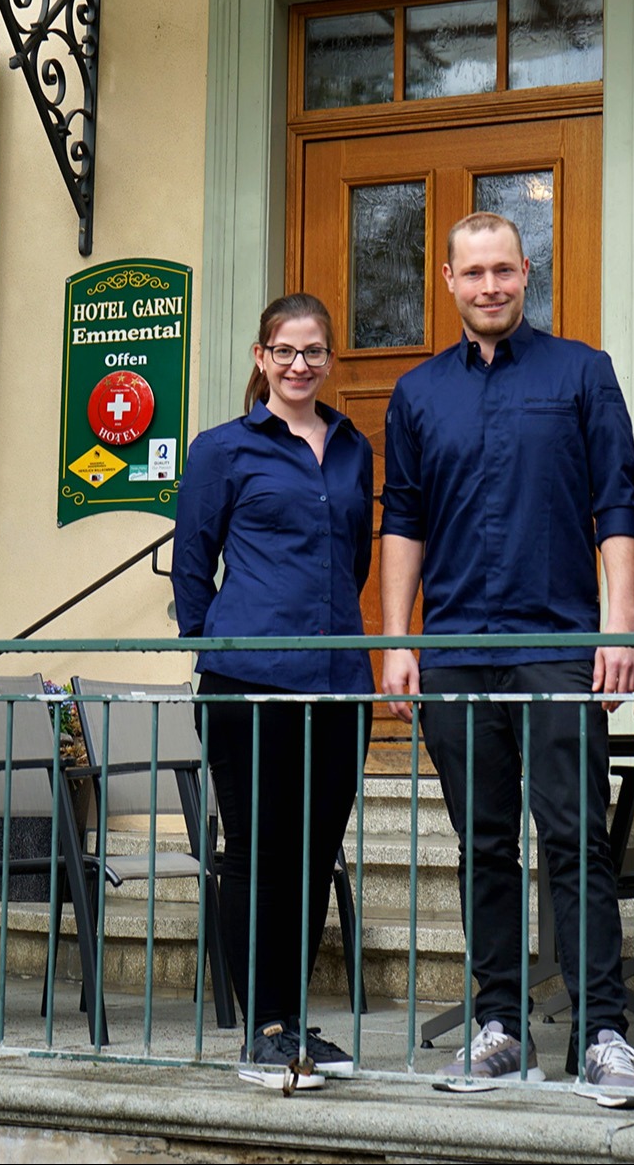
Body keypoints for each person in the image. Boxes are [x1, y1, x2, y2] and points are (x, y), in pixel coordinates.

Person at [378, 211, 634, 1107]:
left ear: (525, 272)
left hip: (557, 646)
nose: (490, 285)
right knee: (483, 845)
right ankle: (499, 1029)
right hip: (456, 647)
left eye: (504, 269)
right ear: (448, 282)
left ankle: (603, 1032)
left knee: (576, 840)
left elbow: (618, 506)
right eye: (474, 272)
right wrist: (398, 640)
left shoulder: (582, 372)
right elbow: (403, 520)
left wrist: (617, 629)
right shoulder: (417, 394)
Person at [173, 292, 375, 1092]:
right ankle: (260, 1028)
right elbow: (194, 565)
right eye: (285, 351)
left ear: (330, 360)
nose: (300, 365)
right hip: (248, 680)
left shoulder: (354, 447)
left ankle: (290, 1020)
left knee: (316, 856)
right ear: (261, 358)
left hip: (337, 684)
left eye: (315, 352)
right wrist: (213, 648)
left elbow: (351, 558)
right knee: (256, 855)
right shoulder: (223, 449)